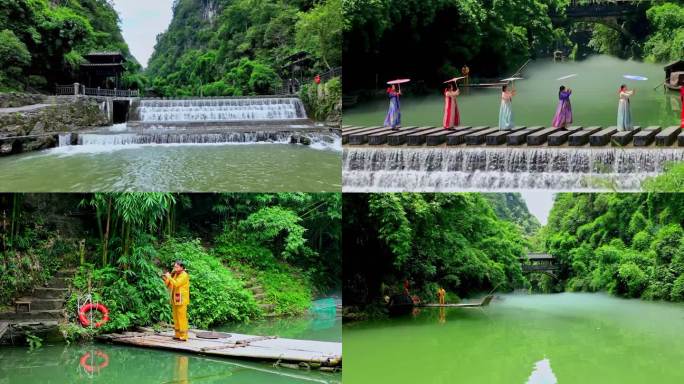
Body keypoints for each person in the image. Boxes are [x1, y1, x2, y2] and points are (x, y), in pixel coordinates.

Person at [163, 260, 190, 341]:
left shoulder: (184, 275)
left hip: (182, 298)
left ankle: (184, 335)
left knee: (182, 317)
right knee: (175, 317)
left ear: (181, 267)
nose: (175, 268)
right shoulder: (175, 274)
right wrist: (167, 278)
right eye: (174, 267)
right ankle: (177, 334)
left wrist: (169, 277)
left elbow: (176, 284)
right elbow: (169, 285)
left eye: (176, 267)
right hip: (175, 298)